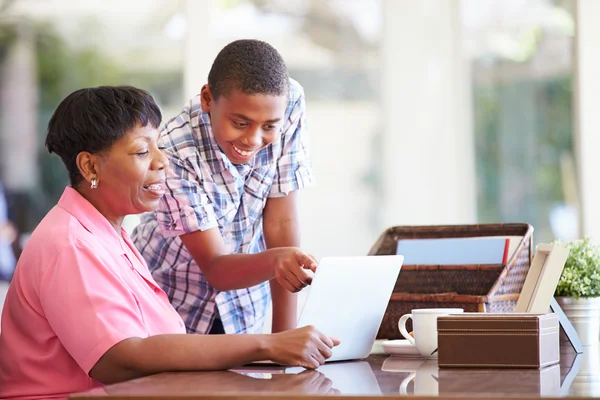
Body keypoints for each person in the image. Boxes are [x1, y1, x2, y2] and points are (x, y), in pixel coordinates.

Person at [0, 86, 338, 400]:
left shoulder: (107, 234)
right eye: (143, 151)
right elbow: (120, 357)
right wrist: (267, 346)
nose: (162, 162)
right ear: (89, 165)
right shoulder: (70, 244)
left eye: (159, 146)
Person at [132, 39, 316, 336]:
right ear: (207, 99)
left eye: (269, 126)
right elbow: (217, 268)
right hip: (173, 308)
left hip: (245, 309)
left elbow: (281, 222)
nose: (254, 140)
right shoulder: (173, 151)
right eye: (241, 123)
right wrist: (279, 262)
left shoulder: (288, 100)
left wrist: (284, 339)